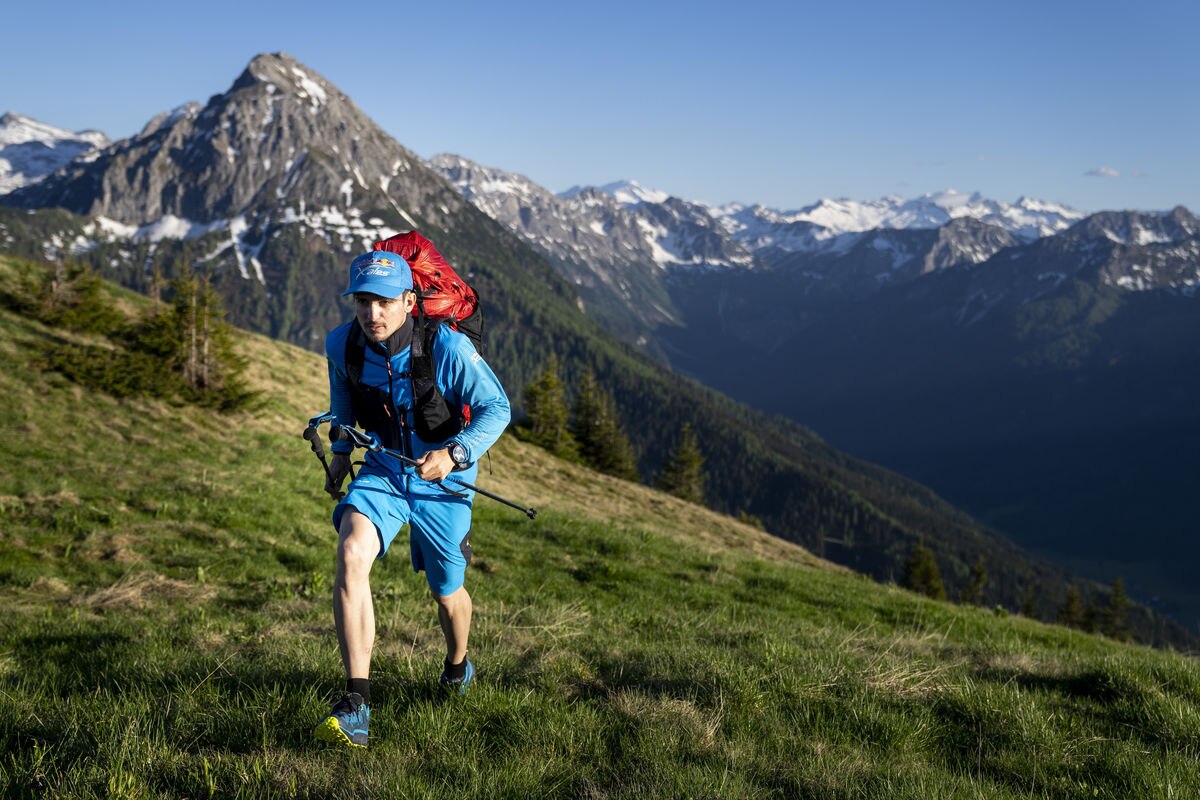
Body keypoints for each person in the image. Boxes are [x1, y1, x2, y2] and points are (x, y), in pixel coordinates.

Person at [313, 250, 510, 748]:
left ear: (408, 300)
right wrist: (340, 452)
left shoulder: (445, 345)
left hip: (445, 480)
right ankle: (357, 704)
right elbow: (343, 404)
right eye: (363, 301)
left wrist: (456, 453)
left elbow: (497, 408)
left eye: (383, 302)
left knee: (448, 593)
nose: (372, 314)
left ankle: (457, 665)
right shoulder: (343, 344)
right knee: (351, 550)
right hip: (383, 467)